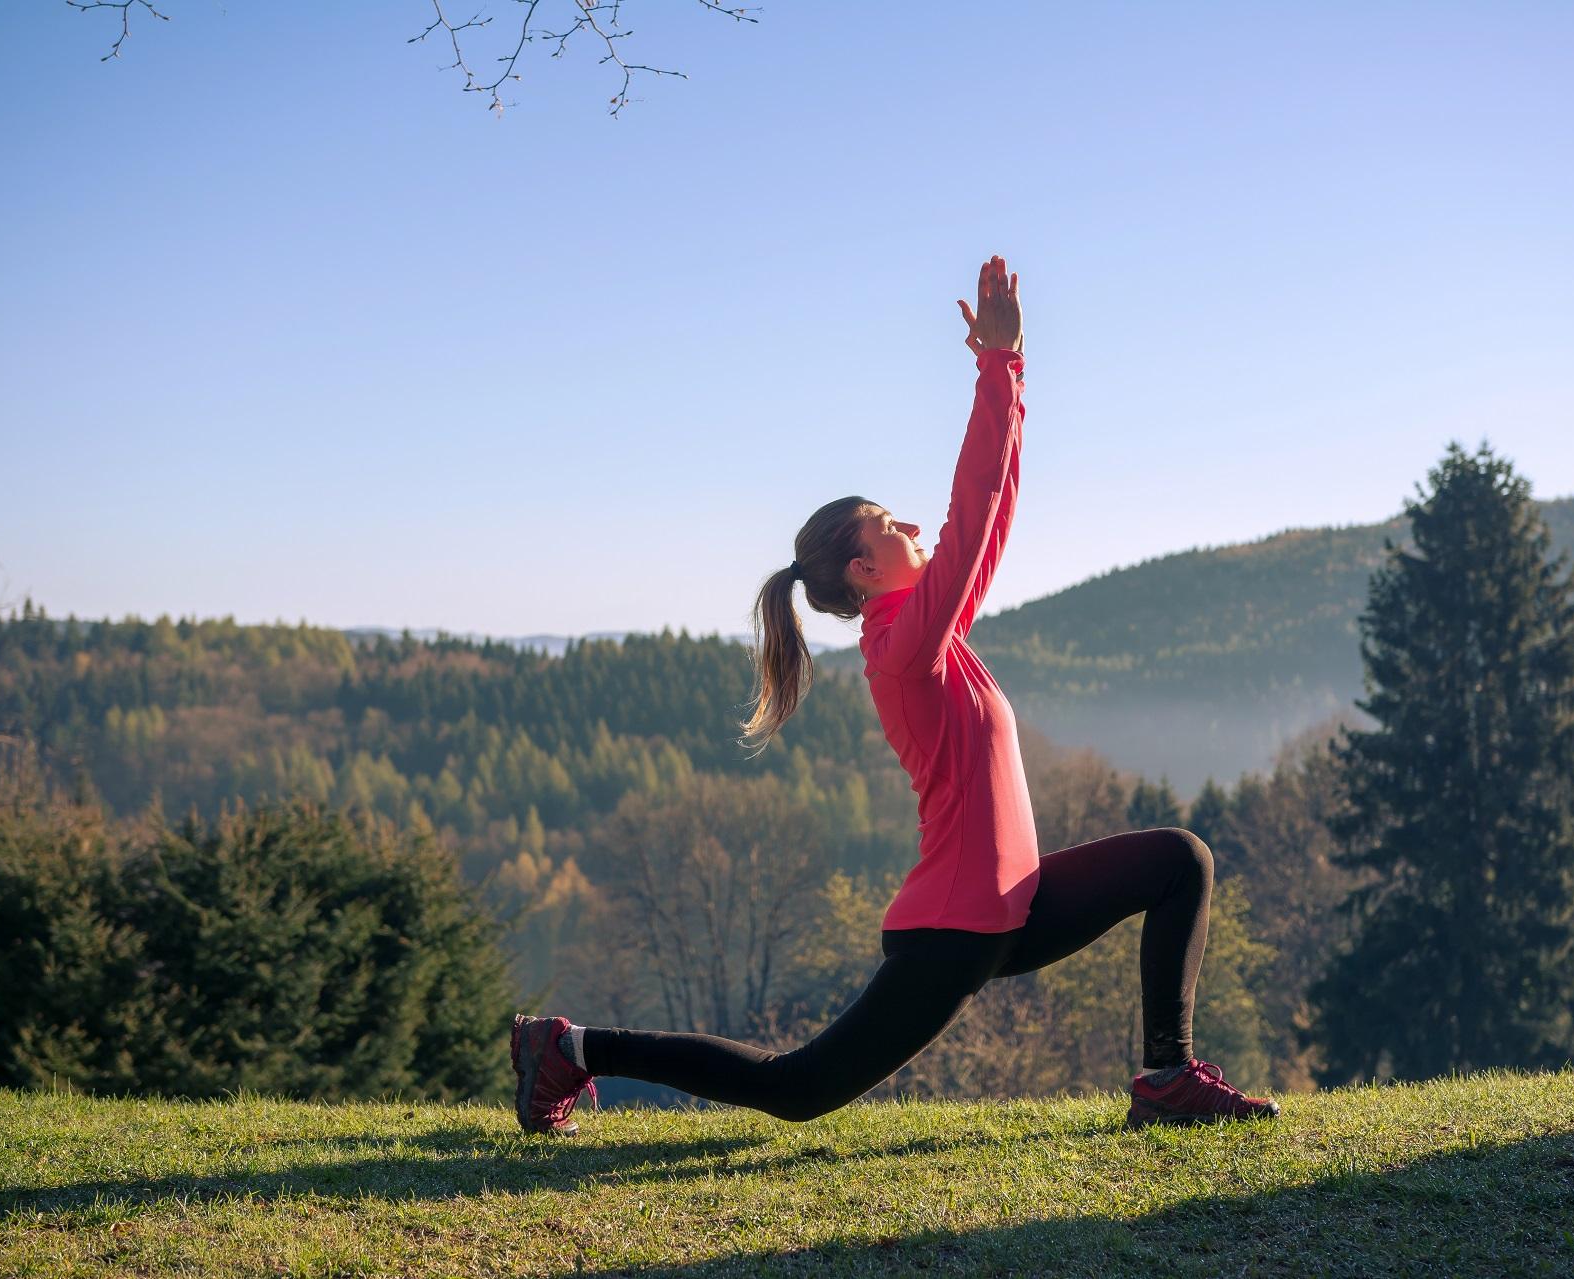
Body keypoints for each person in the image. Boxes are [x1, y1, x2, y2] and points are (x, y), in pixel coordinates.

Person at [511, 255, 1279, 1136]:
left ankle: (1165, 1078)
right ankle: (567, 1046)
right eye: (891, 523)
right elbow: (973, 509)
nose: (914, 526)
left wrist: (1013, 372)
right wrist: (994, 370)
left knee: (1180, 858)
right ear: (863, 568)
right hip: (956, 926)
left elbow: (991, 517)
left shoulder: (932, 632)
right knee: (797, 1088)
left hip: (1012, 904)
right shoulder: (901, 651)